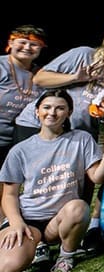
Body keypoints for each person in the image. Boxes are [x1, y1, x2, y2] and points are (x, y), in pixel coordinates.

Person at [0, 89, 104, 272]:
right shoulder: (20, 150)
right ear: (37, 111)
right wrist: (16, 223)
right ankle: (38, 246)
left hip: (61, 218)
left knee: (79, 208)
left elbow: (97, 177)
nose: (52, 113)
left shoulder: (81, 139)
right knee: (6, 268)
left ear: (69, 113)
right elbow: (9, 194)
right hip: (29, 218)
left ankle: (66, 256)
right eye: (46, 107)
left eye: (60, 108)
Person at [0, 25, 47, 223]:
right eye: (22, 42)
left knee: (9, 185)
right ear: (11, 43)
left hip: (18, 139)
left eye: (34, 44)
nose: (28, 47)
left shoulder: (41, 75)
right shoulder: (2, 66)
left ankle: (5, 225)